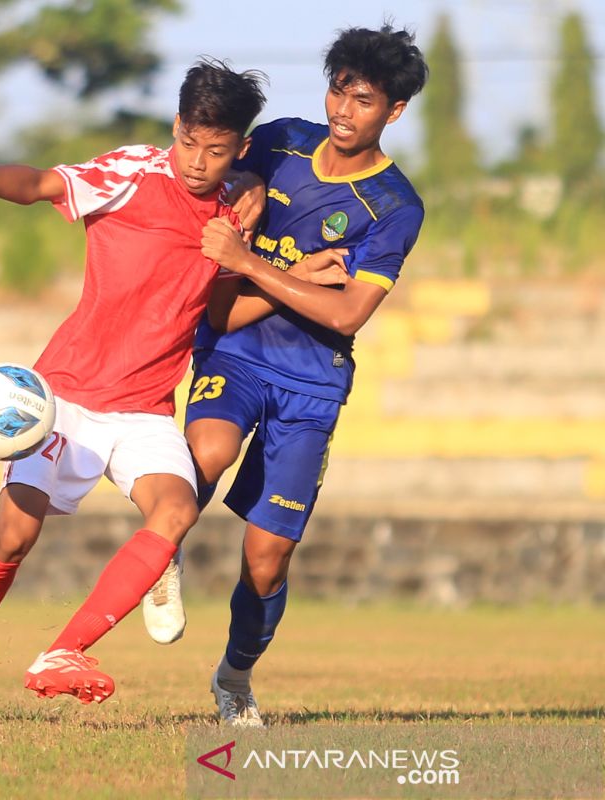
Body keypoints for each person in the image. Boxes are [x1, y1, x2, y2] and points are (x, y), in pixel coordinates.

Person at [0, 58, 268, 721]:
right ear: (175, 127)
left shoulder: (233, 212)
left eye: (216, 150)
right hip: (68, 398)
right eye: (189, 141)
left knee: (177, 511)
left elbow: (219, 311)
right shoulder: (131, 172)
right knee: (13, 539)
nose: (197, 161)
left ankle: (62, 653)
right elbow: (43, 183)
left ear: (239, 149)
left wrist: (286, 279)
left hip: (145, 407)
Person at [141, 25, 429, 727]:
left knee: (266, 560)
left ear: (392, 111)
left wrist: (254, 264)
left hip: (313, 383)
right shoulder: (280, 139)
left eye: (362, 99)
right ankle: (161, 551)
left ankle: (235, 677)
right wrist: (242, 190)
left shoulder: (393, 207)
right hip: (235, 352)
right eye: (337, 88)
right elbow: (223, 179)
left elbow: (349, 313)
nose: (343, 109)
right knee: (204, 453)